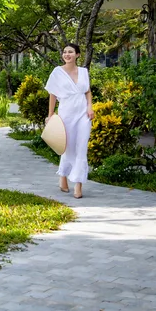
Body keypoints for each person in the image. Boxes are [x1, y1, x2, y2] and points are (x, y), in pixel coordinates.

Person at [45, 44, 94, 198]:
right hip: (66, 114)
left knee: (81, 147)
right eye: (65, 52)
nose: (67, 54)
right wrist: (50, 115)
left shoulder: (84, 72)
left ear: (77, 55)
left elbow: (87, 91)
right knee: (68, 146)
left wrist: (90, 107)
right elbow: (52, 94)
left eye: (70, 52)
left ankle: (78, 185)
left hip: (83, 114)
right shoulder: (57, 72)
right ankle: (63, 176)